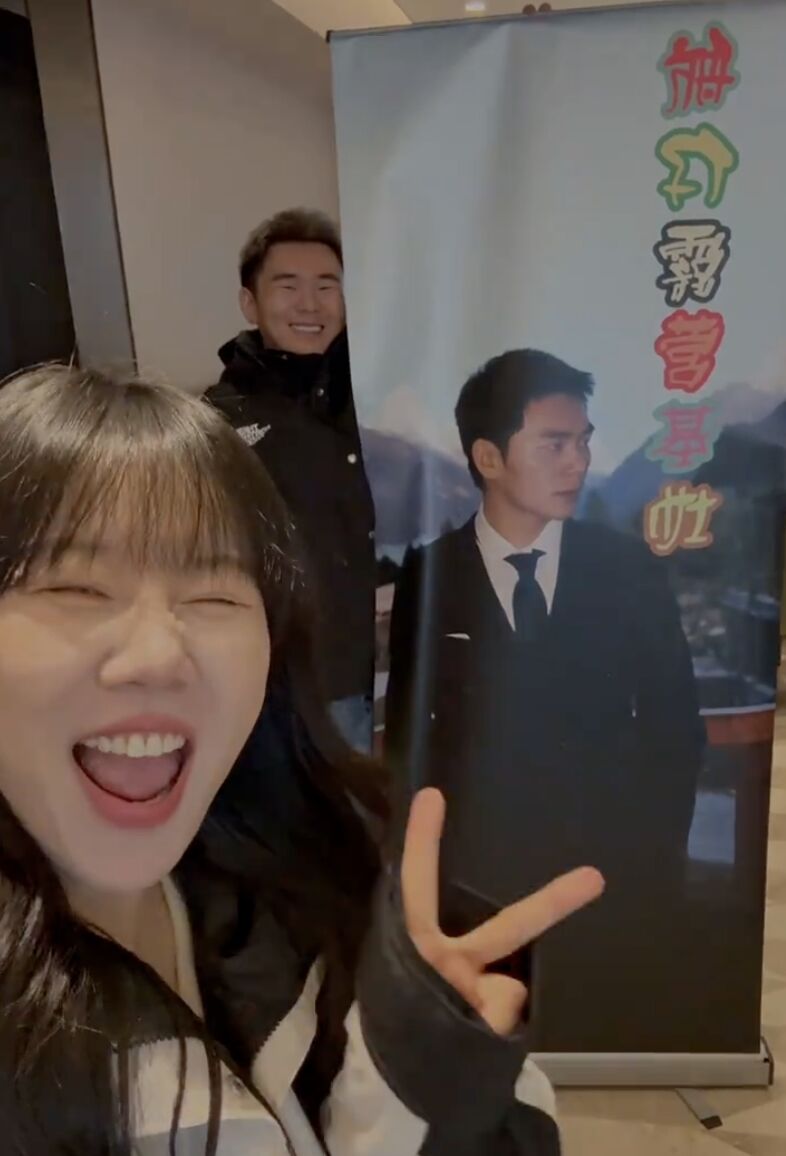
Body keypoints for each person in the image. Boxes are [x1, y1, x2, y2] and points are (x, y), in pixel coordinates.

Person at [0, 364, 604, 1154]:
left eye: (214, 597)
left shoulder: (305, 905)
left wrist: (423, 1083)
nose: (159, 655)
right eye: (74, 590)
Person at [385, 349, 704, 1050]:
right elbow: (409, 730)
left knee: (607, 1024)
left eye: (583, 441)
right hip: (476, 875)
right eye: (554, 444)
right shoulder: (432, 572)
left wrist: (652, 855)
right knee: (488, 1043)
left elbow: (676, 728)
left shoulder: (625, 569)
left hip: (607, 869)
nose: (578, 462)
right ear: (489, 458)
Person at [206, 209, 375, 753]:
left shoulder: (379, 398)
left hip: (391, 667)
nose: (310, 304)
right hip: (282, 678)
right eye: (288, 286)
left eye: (327, 287)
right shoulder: (218, 420)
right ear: (249, 302)